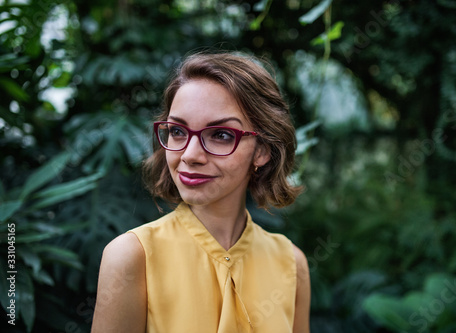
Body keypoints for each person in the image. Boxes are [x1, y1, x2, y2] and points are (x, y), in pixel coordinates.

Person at [91, 52, 311, 333]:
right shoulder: (133, 257)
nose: (190, 155)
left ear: (262, 151)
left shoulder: (292, 263)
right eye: (178, 131)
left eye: (220, 135)